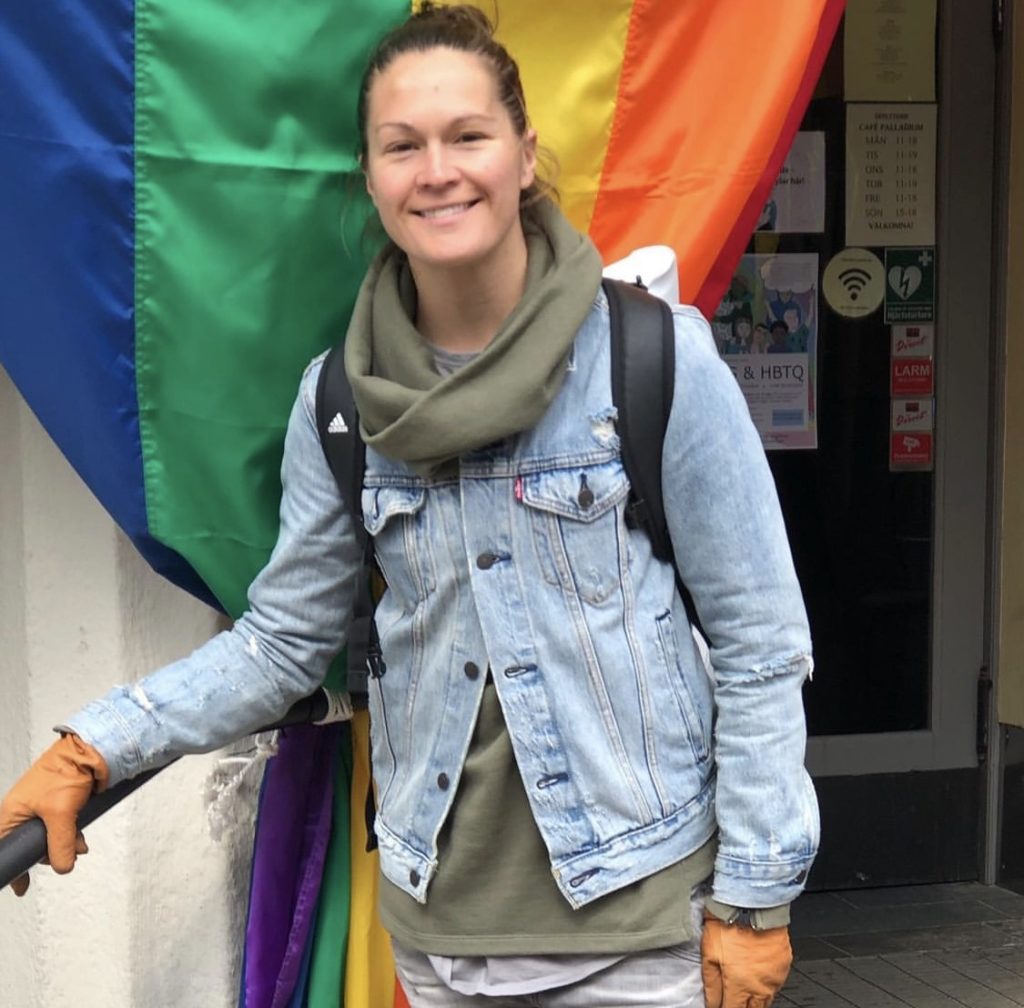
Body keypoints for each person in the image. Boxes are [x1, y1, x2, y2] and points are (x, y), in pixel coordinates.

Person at [0, 6, 817, 1006]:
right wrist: (92, 747)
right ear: (372, 177)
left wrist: (755, 897)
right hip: (438, 942)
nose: (438, 170)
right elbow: (280, 646)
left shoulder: (651, 357)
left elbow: (758, 640)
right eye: (403, 145)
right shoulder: (338, 401)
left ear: (522, 155)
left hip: (633, 931)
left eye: (468, 136)